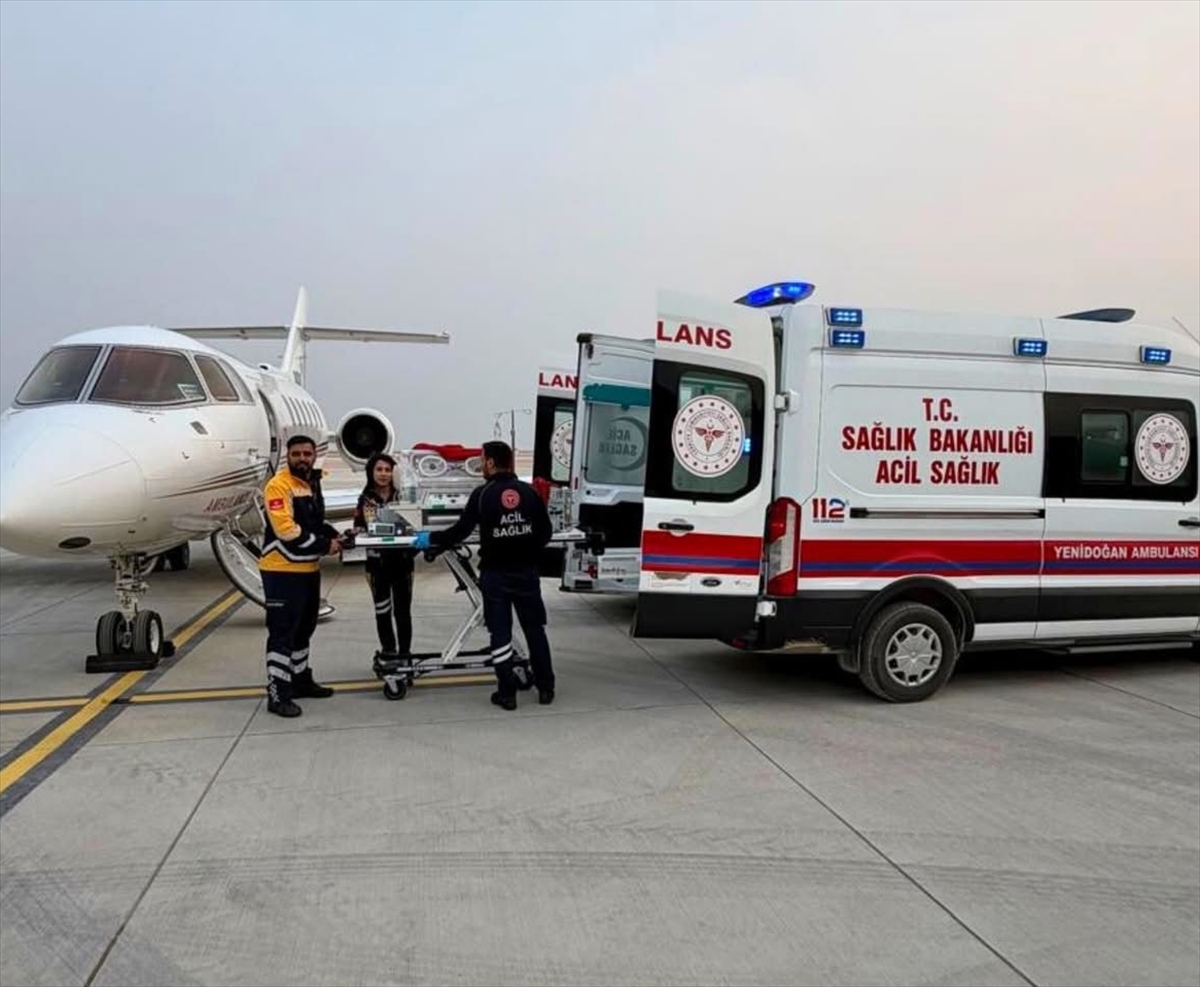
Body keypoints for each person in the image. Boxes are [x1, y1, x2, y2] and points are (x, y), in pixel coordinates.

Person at [414, 440, 555, 710]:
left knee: (500, 633)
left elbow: (460, 532)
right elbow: (545, 533)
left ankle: (507, 693)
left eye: (482, 460)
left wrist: (430, 538)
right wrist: (526, 551)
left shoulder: (482, 495)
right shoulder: (529, 493)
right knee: (535, 629)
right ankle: (546, 688)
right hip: (526, 574)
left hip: (496, 575)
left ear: (490, 462)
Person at [258, 434, 342, 718]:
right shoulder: (278, 486)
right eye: (297, 454)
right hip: (282, 571)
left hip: (308, 569)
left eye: (307, 454)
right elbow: (286, 531)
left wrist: (335, 535)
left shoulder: (310, 484)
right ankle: (278, 693)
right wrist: (324, 545)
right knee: (282, 633)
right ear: (288, 456)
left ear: (314, 455)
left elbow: (315, 523)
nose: (303, 459)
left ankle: (300, 680)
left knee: (304, 629)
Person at [352, 452, 416, 661]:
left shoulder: (404, 496)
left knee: (403, 612)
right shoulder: (365, 499)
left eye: (388, 470)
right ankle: (389, 651)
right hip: (377, 566)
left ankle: (405, 655)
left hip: (402, 564)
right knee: (382, 611)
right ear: (371, 472)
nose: (383, 474)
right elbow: (359, 527)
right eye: (379, 469)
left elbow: (415, 525)